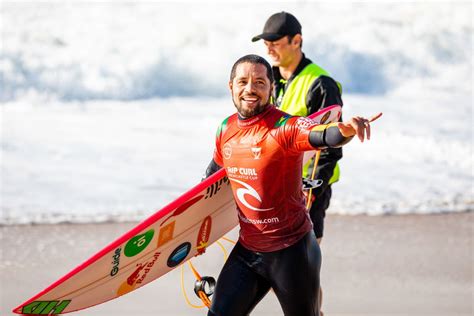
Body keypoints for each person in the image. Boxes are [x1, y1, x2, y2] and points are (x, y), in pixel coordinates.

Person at [203, 54, 381, 316]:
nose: (250, 89)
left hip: (293, 254)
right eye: (243, 82)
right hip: (249, 251)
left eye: (260, 82)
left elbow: (322, 134)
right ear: (231, 86)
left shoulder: (285, 128)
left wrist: (346, 130)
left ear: (272, 89)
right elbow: (212, 179)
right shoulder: (225, 130)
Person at [252, 12, 343, 245]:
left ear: (297, 41)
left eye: (275, 43)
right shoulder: (269, 79)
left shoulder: (321, 84)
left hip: (307, 187)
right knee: (277, 267)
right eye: (266, 44)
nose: (269, 50)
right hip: (276, 186)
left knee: (303, 266)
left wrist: (312, 190)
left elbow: (332, 143)